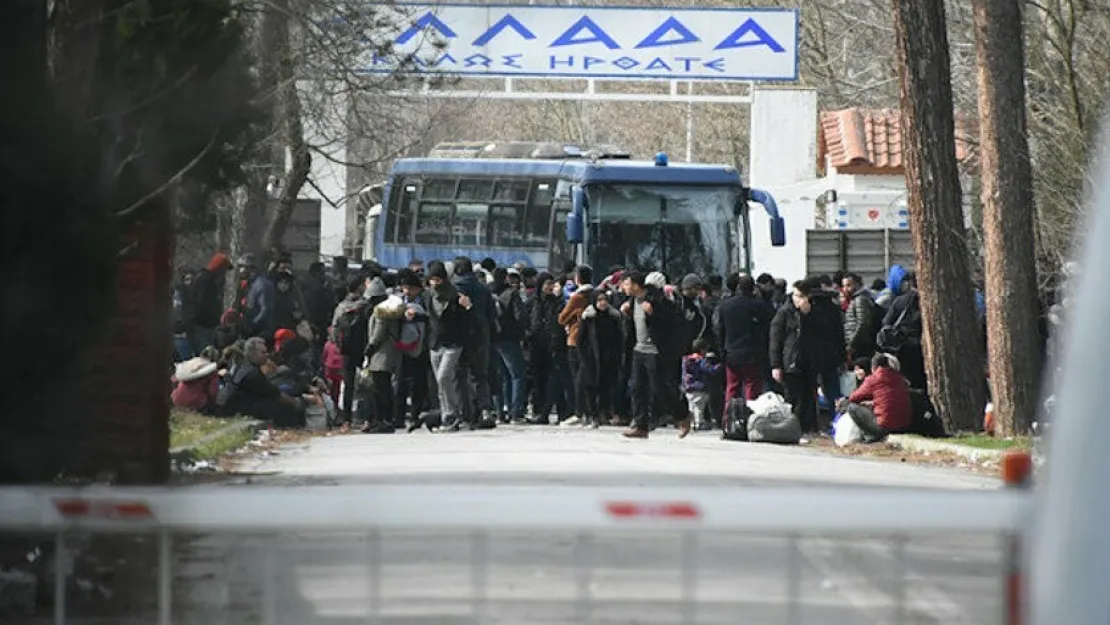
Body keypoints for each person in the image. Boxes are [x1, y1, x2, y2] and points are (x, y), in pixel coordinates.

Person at [620, 271, 687, 439]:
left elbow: (672, 321)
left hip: (655, 351)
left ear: (636, 285)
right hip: (638, 349)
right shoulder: (632, 300)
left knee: (660, 389)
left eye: (627, 284)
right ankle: (640, 425)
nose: (624, 287)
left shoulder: (657, 300)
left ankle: (683, 416)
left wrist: (653, 313)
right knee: (636, 388)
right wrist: (626, 314)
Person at [427, 261, 473, 432]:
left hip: (453, 343)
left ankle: (452, 414)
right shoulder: (428, 297)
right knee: (441, 383)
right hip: (435, 344)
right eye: (432, 280)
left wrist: (467, 307)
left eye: (438, 280)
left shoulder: (456, 296)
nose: (435, 284)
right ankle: (447, 416)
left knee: (444, 377)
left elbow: (467, 321)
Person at [715, 273, 775, 405]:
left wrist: (722, 351)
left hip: (731, 352)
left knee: (732, 386)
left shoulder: (725, 306)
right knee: (752, 386)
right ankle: (750, 415)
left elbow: (719, 330)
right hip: (753, 353)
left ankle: (728, 418)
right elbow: (768, 327)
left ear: (738, 288)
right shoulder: (759, 306)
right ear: (753, 288)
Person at [770, 281, 820, 434]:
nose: (799, 299)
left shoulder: (814, 312)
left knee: (808, 396)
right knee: (792, 397)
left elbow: (818, 334)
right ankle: (792, 428)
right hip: (790, 361)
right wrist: (775, 365)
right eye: (797, 296)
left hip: (809, 361)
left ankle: (808, 427)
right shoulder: (784, 313)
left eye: (803, 296)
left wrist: (807, 315)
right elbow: (775, 340)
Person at [836, 352, 912, 442]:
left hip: (884, 427)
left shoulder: (874, 379)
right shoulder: (900, 378)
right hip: (904, 426)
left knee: (851, 407)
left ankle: (870, 436)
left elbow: (854, 397)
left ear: (873, 367)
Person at [575, 290, 623, 428]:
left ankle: (603, 413)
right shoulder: (588, 318)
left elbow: (619, 339)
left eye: (605, 300)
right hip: (591, 359)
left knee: (606, 388)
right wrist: (584, 357)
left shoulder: (613, 317)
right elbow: (581, 340)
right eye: (599, 300)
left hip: (608, 358)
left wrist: (617, 356)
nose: (602, 303)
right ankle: (592, 414)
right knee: (590, 388)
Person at [362, 278, 401, 434]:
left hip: (381, 354)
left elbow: (378, 333)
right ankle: (385, 419)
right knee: (384, 388)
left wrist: (369, 348)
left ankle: (383, 420)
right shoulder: (387, 308)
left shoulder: (381, 310)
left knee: (380, 389)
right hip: (388, 353)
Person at [558, 265, 596, 425]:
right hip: (592, 340)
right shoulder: (595, 294)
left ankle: (580, 411)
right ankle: (590, 411)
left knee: (578, 378)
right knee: (588, 376)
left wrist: (573, 314)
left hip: (575, 339)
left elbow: (561, 318)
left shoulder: (577, 297)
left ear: (578, 278)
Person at [190, 253, 232, 354]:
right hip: (202, 326)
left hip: (208, 326)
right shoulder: (204, 279)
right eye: (224, 269)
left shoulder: (212, 280)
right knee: (206, 354)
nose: (224, 272)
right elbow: (200, 303)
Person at [682, 338, 721, 431]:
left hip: (688, 387)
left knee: (691, 407)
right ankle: (699, 423)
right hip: (700, 387)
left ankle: (692, 423)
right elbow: (709, 369)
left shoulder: (686, 359)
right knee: (699, 407)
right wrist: (718, 366)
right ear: (702, 350)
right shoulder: (701, 360)